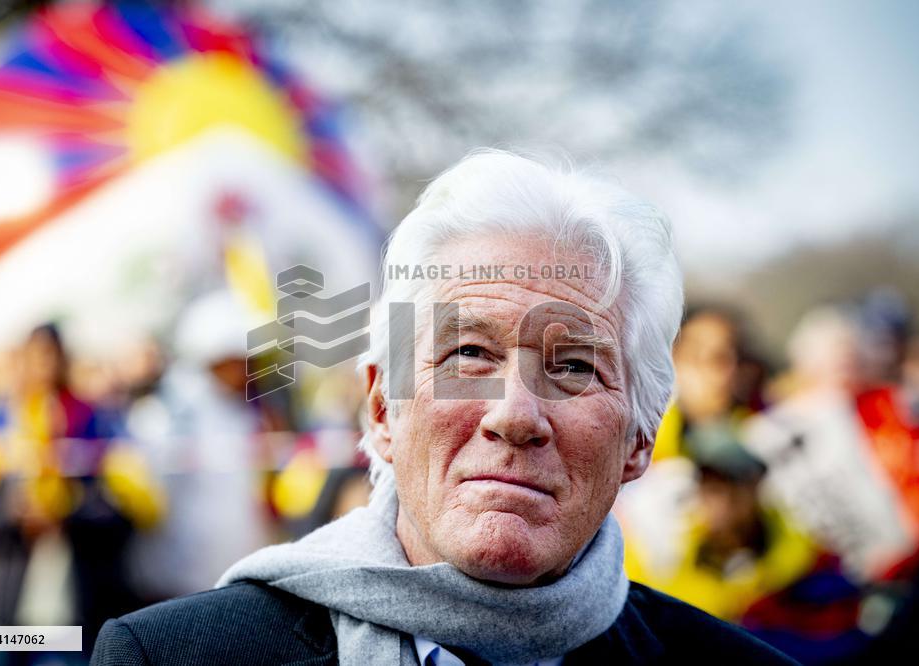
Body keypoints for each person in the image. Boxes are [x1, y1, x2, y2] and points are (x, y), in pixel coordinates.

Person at [91, 150, 796, 664]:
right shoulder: (172, 658)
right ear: (380, 406)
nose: (515, 415)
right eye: (467, 355)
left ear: (641, 439)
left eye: (575, 366)